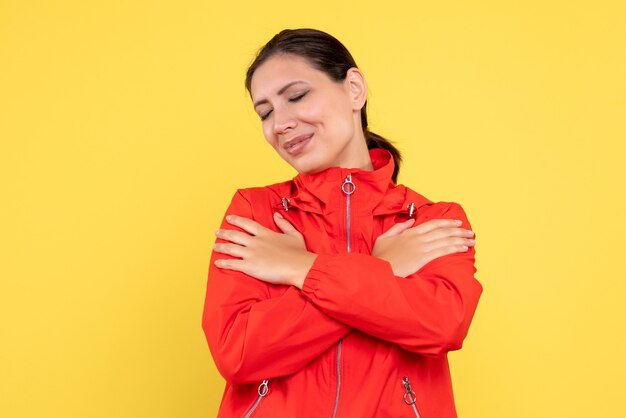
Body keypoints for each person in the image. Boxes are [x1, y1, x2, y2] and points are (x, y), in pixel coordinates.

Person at [202, 28, 482, 418]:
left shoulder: (433, 223)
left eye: (296, 96)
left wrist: (302, 268)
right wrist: (381, 269)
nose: (279, 123)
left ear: (354, 89)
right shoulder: (256, 212)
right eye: (265, 112)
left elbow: (441, 326)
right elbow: (238, 353)